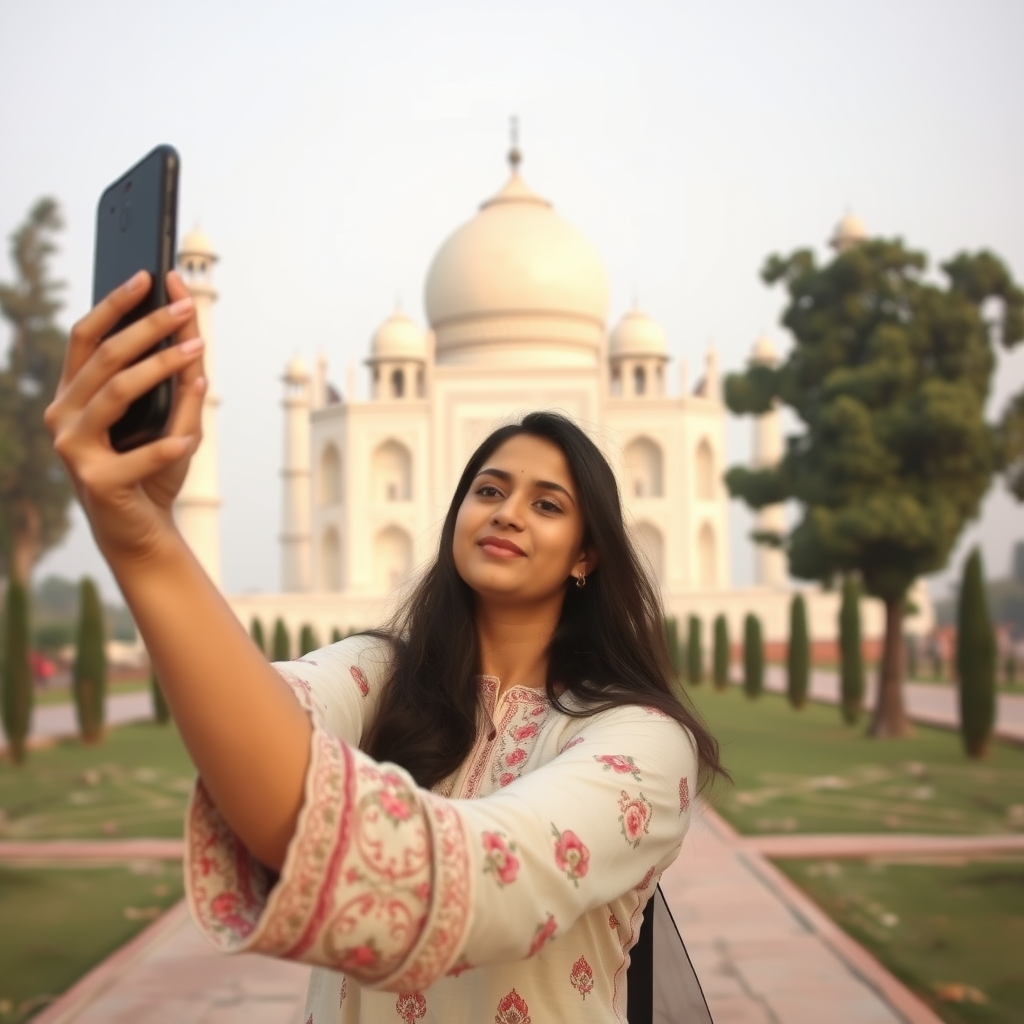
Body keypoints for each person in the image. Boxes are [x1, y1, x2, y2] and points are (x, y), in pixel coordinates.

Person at [46, 270, 727, 1023]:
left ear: (586, 554)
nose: (507, 514)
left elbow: (487, 881)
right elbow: (269, 714)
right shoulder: (383, 674)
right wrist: (147, 532)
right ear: (457, 512)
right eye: (490, 490)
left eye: (547, 504)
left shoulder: (644, 743)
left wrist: (147, 548)